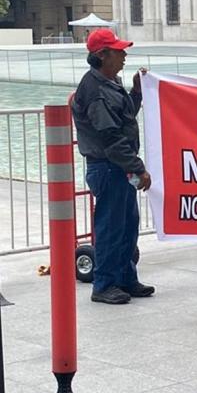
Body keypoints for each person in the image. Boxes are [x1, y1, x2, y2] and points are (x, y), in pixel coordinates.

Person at [71, 29, 154, 305]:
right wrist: (138, 167)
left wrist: (137, 92)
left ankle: (125, 278)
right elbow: (110, 137)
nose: (124, 55)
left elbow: (124, 115)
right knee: (110, 227)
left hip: (119, 167)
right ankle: (104, 284)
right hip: (108, 167)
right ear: (101, 55)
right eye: (118, 51)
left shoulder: (108, 82)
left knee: (128, 225)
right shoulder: (95, 90)